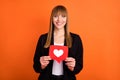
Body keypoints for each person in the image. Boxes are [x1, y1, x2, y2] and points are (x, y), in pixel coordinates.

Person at [33, 5, 83, 80]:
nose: (59, 20)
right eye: (56, 16)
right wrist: (41, 65)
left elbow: (79, 66)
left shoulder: (76, 39)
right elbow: (36, 67)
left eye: (63, 16)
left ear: (67, 19)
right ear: (52, 19)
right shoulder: (43, 38)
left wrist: (73, 67)